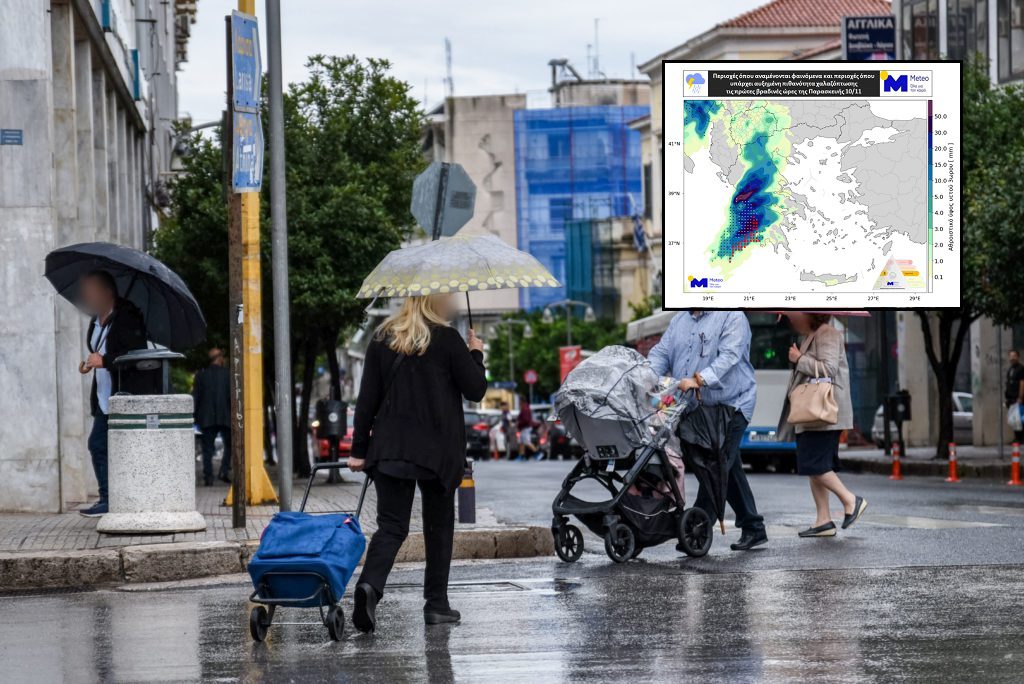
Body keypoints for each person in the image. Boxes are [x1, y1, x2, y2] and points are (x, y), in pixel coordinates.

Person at [348, 294, 486, 632]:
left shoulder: (383, 338)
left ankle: (369, 587)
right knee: (438, 528)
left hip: (390, 449)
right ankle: (436, 605)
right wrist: (476, 353)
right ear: (438, 303)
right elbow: (476, 390)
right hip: (437, 453)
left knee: (391, 527)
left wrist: (358, 450)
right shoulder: (448, 339)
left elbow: (367, 399)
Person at [648, 311, 768, 551]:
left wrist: (699, 379)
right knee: (726, 466)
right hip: (696, 409)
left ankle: (698, 529)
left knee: (715, 463)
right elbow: (661, 353)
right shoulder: (679, 321)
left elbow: (730, 356)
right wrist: (645, 377)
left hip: (732, 404)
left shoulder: (732, 317)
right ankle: (753, 526)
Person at [778, 313, 867, 537]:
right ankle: (823, 520)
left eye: (796, 313)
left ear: (811, 314)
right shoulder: (811, 335)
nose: (792, 318)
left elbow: (828, 369)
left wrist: (799, 359)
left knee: (815, 464)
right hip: (812, 414)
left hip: (823, 412)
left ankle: (850, 500)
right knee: (814, 467)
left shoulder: (827, 333)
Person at [78, 270, 157, 517]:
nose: (86, 296)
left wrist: (105, 361)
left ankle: (112, 500)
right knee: (101, 446)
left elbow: (135, 355)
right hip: (104, 397)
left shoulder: (127, 317)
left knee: (101, 444)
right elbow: (99, 352)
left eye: (90, 291)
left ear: (106, 293)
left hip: (125, 396)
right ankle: (111, 499)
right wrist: (90, 363)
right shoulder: (96, 320)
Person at [193, 348, 232, 486]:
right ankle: (224, 471)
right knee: (230, 445)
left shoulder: (201, 375)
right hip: (226, 416)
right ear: (220, 358)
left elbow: (196, 397)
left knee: (207, 449)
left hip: (207, 417)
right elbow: (232, 396)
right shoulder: (228, 374)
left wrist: (195, 417)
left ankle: (208, 477)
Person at [1005, 350, 1024, 444]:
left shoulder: (1021, 369)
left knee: (1020, 419)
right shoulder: (1010, 369)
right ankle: (1017, 438)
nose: (1012, 358)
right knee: (1014, 419)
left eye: (1014, 356)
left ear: (1018, 357)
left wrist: (1020, 397)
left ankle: (1020, 438)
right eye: (1011, 356)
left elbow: (1022, 383)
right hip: (1011, 398)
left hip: (1018, 398)